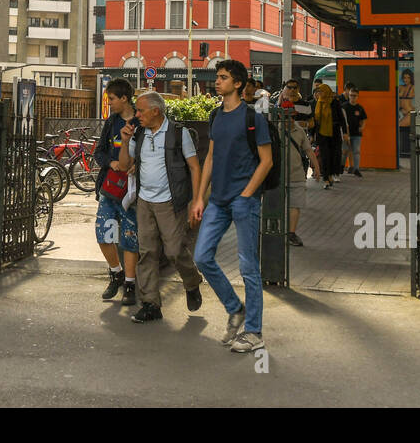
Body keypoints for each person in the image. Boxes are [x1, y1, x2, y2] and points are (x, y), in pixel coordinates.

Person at [193, 59, 272, 354]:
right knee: (201, 257)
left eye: (224, 77)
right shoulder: (216, 116)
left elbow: (266, 161)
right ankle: (233, 307)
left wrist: (246, 194)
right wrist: (200, 196)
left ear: (238, 84)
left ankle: (254, 332)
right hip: (218, 201)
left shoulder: (253, 118)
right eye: (218, 77)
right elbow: (210, 158)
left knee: (249, 268)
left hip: (244, 201)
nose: (218, 81)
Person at [116, 91, 203, 323]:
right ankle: (151, 303)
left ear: (156, 111)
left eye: (141, 110)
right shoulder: (139, 135)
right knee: (147, 252)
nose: (137, 115)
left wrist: (196, 200)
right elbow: (124, 165)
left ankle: (192, 282)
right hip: (144, 201)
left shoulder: (178, 133)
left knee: (174, 251)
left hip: (170, 202)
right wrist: (125, 142)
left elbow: (194, 167)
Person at [91, 77, 139, 307]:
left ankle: (130, 284)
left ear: (124, 98)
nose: (109, 103)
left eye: (111, 99)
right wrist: (111, 163)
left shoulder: (142, 121)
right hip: (110, 189)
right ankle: (116, 272)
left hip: (132, 191)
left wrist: (137, 164)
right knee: (103, 233)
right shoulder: (111, 123)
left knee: (130, 237)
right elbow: (98, 152)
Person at [277, 80, 320, 246]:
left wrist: (316, 167)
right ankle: (281, 231)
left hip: (296, 174)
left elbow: (309, 150)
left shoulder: (299, 130)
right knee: (280, 204)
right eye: (286, 115)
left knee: (295, 205)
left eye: (291, 116)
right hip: (278, 175)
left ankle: (291, 233)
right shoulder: (274, 130)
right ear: (280, 115)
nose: (288, 119)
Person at [312, 81, 339, 188]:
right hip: (321, 134)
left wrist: (345, 133)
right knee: (324, 156)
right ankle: (326, 179)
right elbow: (315, 120)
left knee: (332, 155)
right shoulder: (317, 103)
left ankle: (331, 175)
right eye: (319, 91)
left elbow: (340, 117)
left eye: (322, 91)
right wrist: (312, 134)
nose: (320, 93)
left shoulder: (334, 102)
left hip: (334, 133)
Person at [341, 85, 367, 177]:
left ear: (357, 96)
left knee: (356, 151)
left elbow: (364, 119)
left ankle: (356, 169)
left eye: (354, 95)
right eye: (351, 95)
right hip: (345, 133)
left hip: (356, 134)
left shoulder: (360, 108)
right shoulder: (344, 106)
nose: (352, 97)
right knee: (344, 151)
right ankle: (341, 168)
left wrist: (362, 127)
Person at [398, 69, 415, 157]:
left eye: (408, 78)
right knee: (402, 130)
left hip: (409, 112)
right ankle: (404, 151)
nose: (406, 79)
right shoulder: (401, 87)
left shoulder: (413, 88)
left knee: (401, 126)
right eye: (404, 77)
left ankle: (405, 151)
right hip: (401, 112)